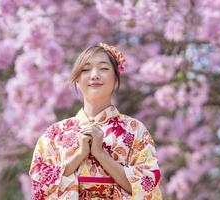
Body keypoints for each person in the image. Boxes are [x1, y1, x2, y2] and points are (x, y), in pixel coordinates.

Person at [29, 43, 162, 199]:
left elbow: (148, 184)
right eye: (86, 69)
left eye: (104, 68)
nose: (94, 75)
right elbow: (40, 184)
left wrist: (100, 154)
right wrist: (79, 155)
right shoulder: (54, 134)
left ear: (116, 78)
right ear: (77, 79)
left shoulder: (135, 130)